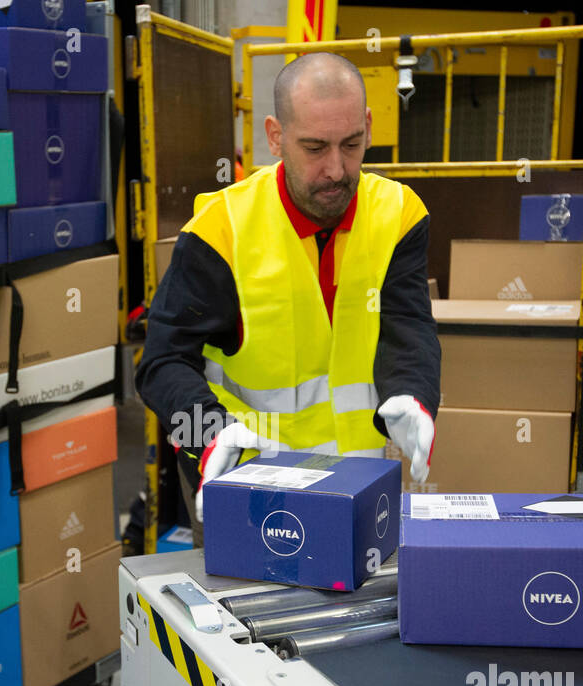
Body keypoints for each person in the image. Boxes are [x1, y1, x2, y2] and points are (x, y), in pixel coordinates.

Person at [136, 52, 441, 541]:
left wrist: (415, 397)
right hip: (248, 492)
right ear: (276, 136)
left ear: (367, 126)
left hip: (356, 491)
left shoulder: (399, 215)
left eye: (352, 144)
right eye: (315, 147)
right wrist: (209, 436)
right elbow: (161, 362)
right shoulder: (221, 232)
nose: (337, 169)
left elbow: (407, 327)